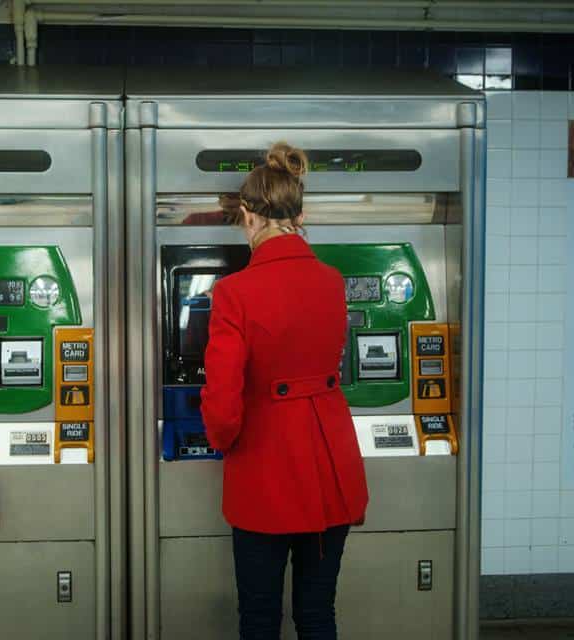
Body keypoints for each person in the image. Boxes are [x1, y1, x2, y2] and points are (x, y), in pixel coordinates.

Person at [200, 142, 369, 640]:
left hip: (265, 475)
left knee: (259, 618)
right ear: (301, 214)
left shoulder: (234, 293)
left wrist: (222, 439)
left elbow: (224, 404)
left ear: (249, 216)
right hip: (330, 469)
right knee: (317, 614)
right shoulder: (332, 282)